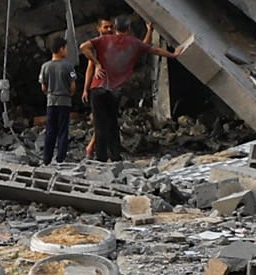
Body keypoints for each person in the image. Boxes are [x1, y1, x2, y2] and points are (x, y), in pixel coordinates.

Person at [80, 17, 174, 164]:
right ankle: (111, 155)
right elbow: (146, 47)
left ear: (115, 28)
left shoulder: (101, 43)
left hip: (101, 89)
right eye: (105, 27)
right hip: (110, 89)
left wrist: (93, 74)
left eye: (110, 27)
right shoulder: (110, 43)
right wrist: (173, 54)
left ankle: (101, 157)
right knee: (108, 124)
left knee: (103, 124)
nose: (108, 30)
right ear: (99, 28)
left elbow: (143, 46)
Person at [37, 40, 78, 165]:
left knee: (50, 130)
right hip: (64, 101)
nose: (66, 51)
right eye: (65, 48)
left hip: (51, 101)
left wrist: (49, 93)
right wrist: (69, 94)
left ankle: (46, 159)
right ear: (61, 49)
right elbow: (72, 85)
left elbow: (43, 86)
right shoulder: (68, 66)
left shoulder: (45, 66)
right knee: (63, 130)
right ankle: (60, 158)